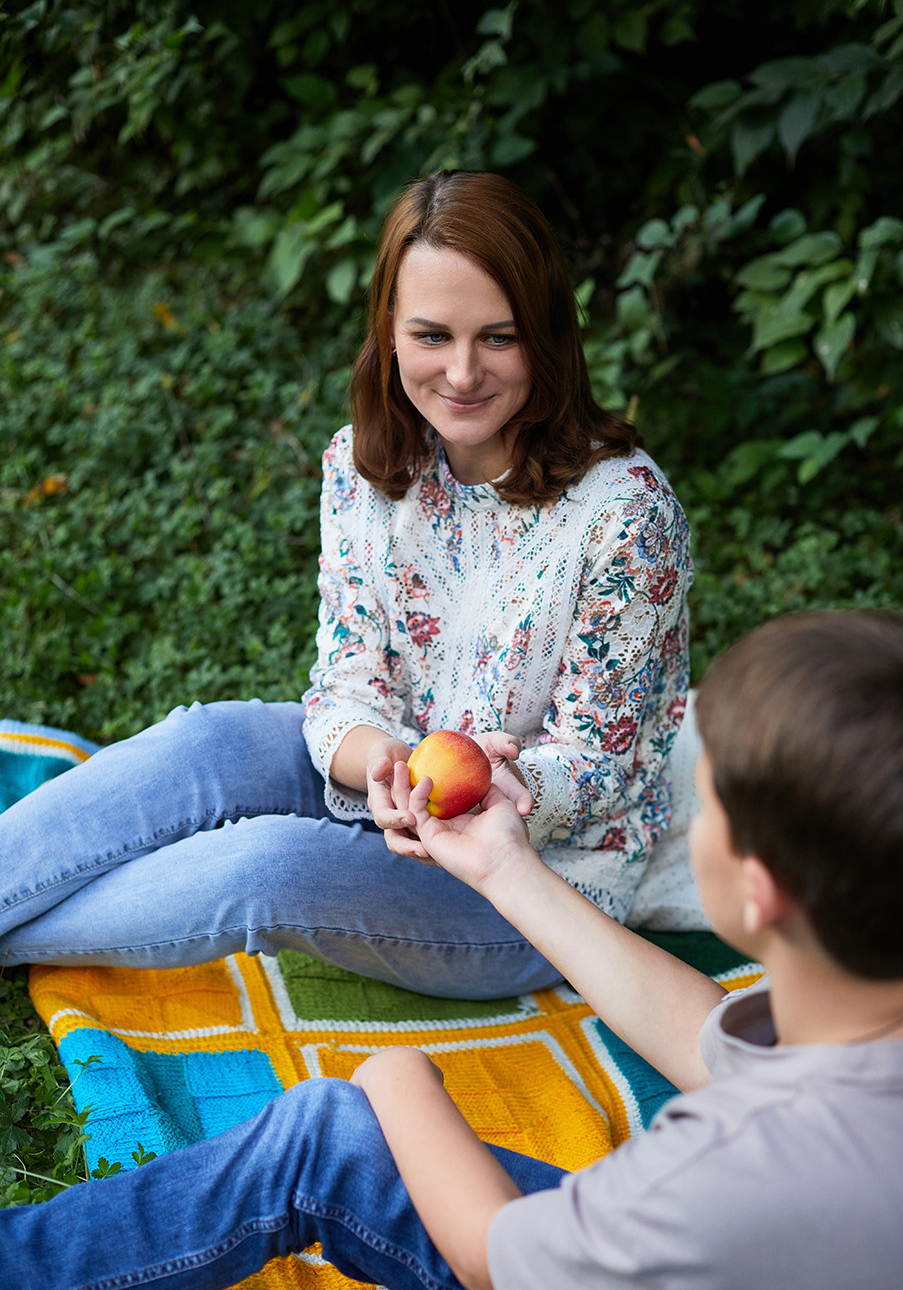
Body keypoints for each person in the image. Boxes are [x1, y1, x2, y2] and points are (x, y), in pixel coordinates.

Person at [3, 606, 903, 1290]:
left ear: (760, 891)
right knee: (329, 1137)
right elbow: (713, 1046)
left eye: (710, 798)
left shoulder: (741, 1176)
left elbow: (496, 1254)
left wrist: (399, 1084)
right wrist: (510, 872)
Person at [0, 171, 691, 999]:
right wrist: (392, 770)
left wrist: (499, 794)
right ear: (390, 333)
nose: (464, 373)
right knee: (210, 740)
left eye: (500, 338)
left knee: (269, 865)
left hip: (537, 889)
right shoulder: (364, 467)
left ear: (547, 336)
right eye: (432, 335)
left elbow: (597, 768)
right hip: (396, 783)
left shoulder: (627, 512)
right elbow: (346, 685)